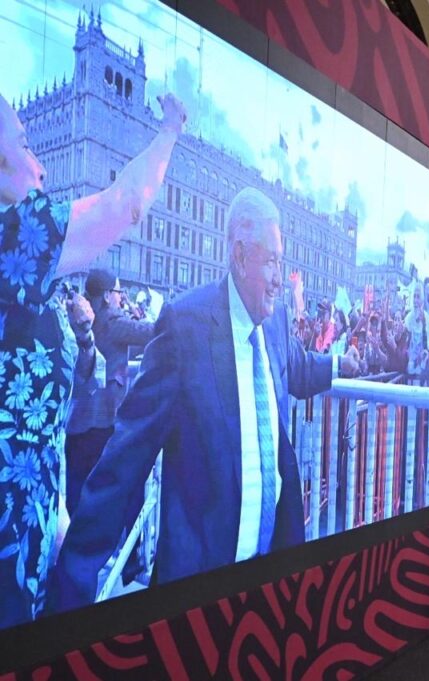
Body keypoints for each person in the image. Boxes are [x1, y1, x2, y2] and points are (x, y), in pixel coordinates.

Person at [50, 188, 349, 613]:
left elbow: (295, 368)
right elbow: (124, 462)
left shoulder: (277, 319)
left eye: (281, 261)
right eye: (271, 261)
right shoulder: (185, 325)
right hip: (202, 590)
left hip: (272, 575)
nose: (280, 277)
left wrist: (341, 365)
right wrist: (74, 579)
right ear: (240, 256)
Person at [0, 91, 185, 627]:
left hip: (28, 524)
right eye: (26, 145)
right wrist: (171, 127)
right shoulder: (13, 237)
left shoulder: (30, 282)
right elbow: (122, 205)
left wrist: (56, 518)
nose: (41, 167)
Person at [65, 269, 156, 515]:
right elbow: (152, 332)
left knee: (74, 492)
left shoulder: (75, 318)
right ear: (106, 296)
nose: (121, 297)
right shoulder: (112, 321)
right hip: (102, 424)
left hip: (74, 423)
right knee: (103, 494)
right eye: (118, 292)